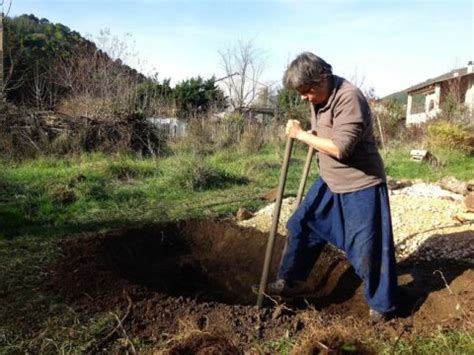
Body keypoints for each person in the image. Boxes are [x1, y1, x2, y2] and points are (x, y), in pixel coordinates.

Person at [267, 52, 398, 323]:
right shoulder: (319, 96)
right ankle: (291, 281)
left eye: (306, 90)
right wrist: (308, 132)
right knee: (301, 224)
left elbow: (341, 148)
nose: (303, 97)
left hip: (360, 184)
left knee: (366, 248)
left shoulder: (349, 97)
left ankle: (382, 306)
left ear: (322, 78)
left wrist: (301, 136)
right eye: (300, 92)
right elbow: (325, 134)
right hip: (330, 180)